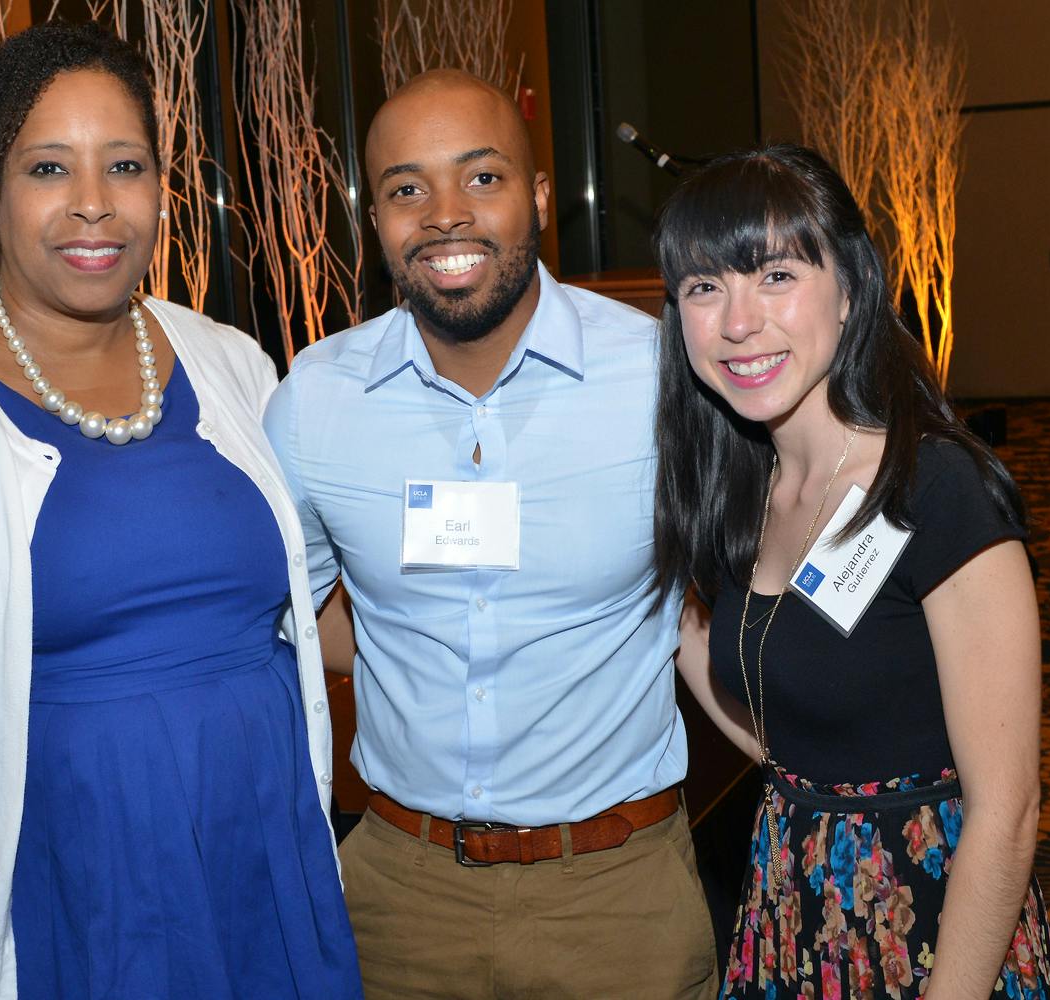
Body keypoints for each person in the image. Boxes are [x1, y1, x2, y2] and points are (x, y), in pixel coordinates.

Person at [0, 23, 360, 1000]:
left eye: (124, 165)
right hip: (62, 913)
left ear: (163, 188)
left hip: (261, 884)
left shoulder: (232, 365)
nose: (93, 203)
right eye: (49, 166)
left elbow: (316, 615)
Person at [263, 69, 718, 999]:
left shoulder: (665, 379)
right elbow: (294, 619)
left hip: (619, 895)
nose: (443, 215)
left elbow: (730, 596)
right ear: (377, 218)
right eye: (405, 189)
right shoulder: (315, 400)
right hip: (401, 899)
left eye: (481, 178)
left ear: (539, 197)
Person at [652, 144, 1050, 998]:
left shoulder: (935, 487)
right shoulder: (740, 493)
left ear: (849, 289)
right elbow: (768, 709)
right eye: (703, 287)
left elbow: (1009, 812)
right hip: (789, 904)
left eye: (774, 276)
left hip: (931, 920)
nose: (736, 321)